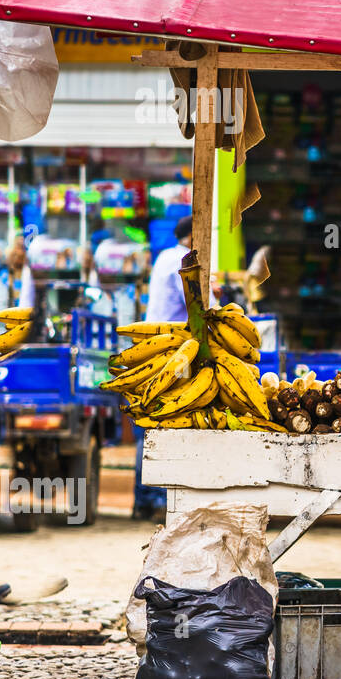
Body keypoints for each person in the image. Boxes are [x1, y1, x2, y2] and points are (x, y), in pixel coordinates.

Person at [133, 216, 197, 521]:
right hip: (169, 349)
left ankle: (143, 501)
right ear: (191, 235)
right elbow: (195, 301)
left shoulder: (163, 257)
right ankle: (157, 498)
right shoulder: (179, 259)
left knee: (148, 420)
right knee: (164, 420)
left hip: (153, 346)